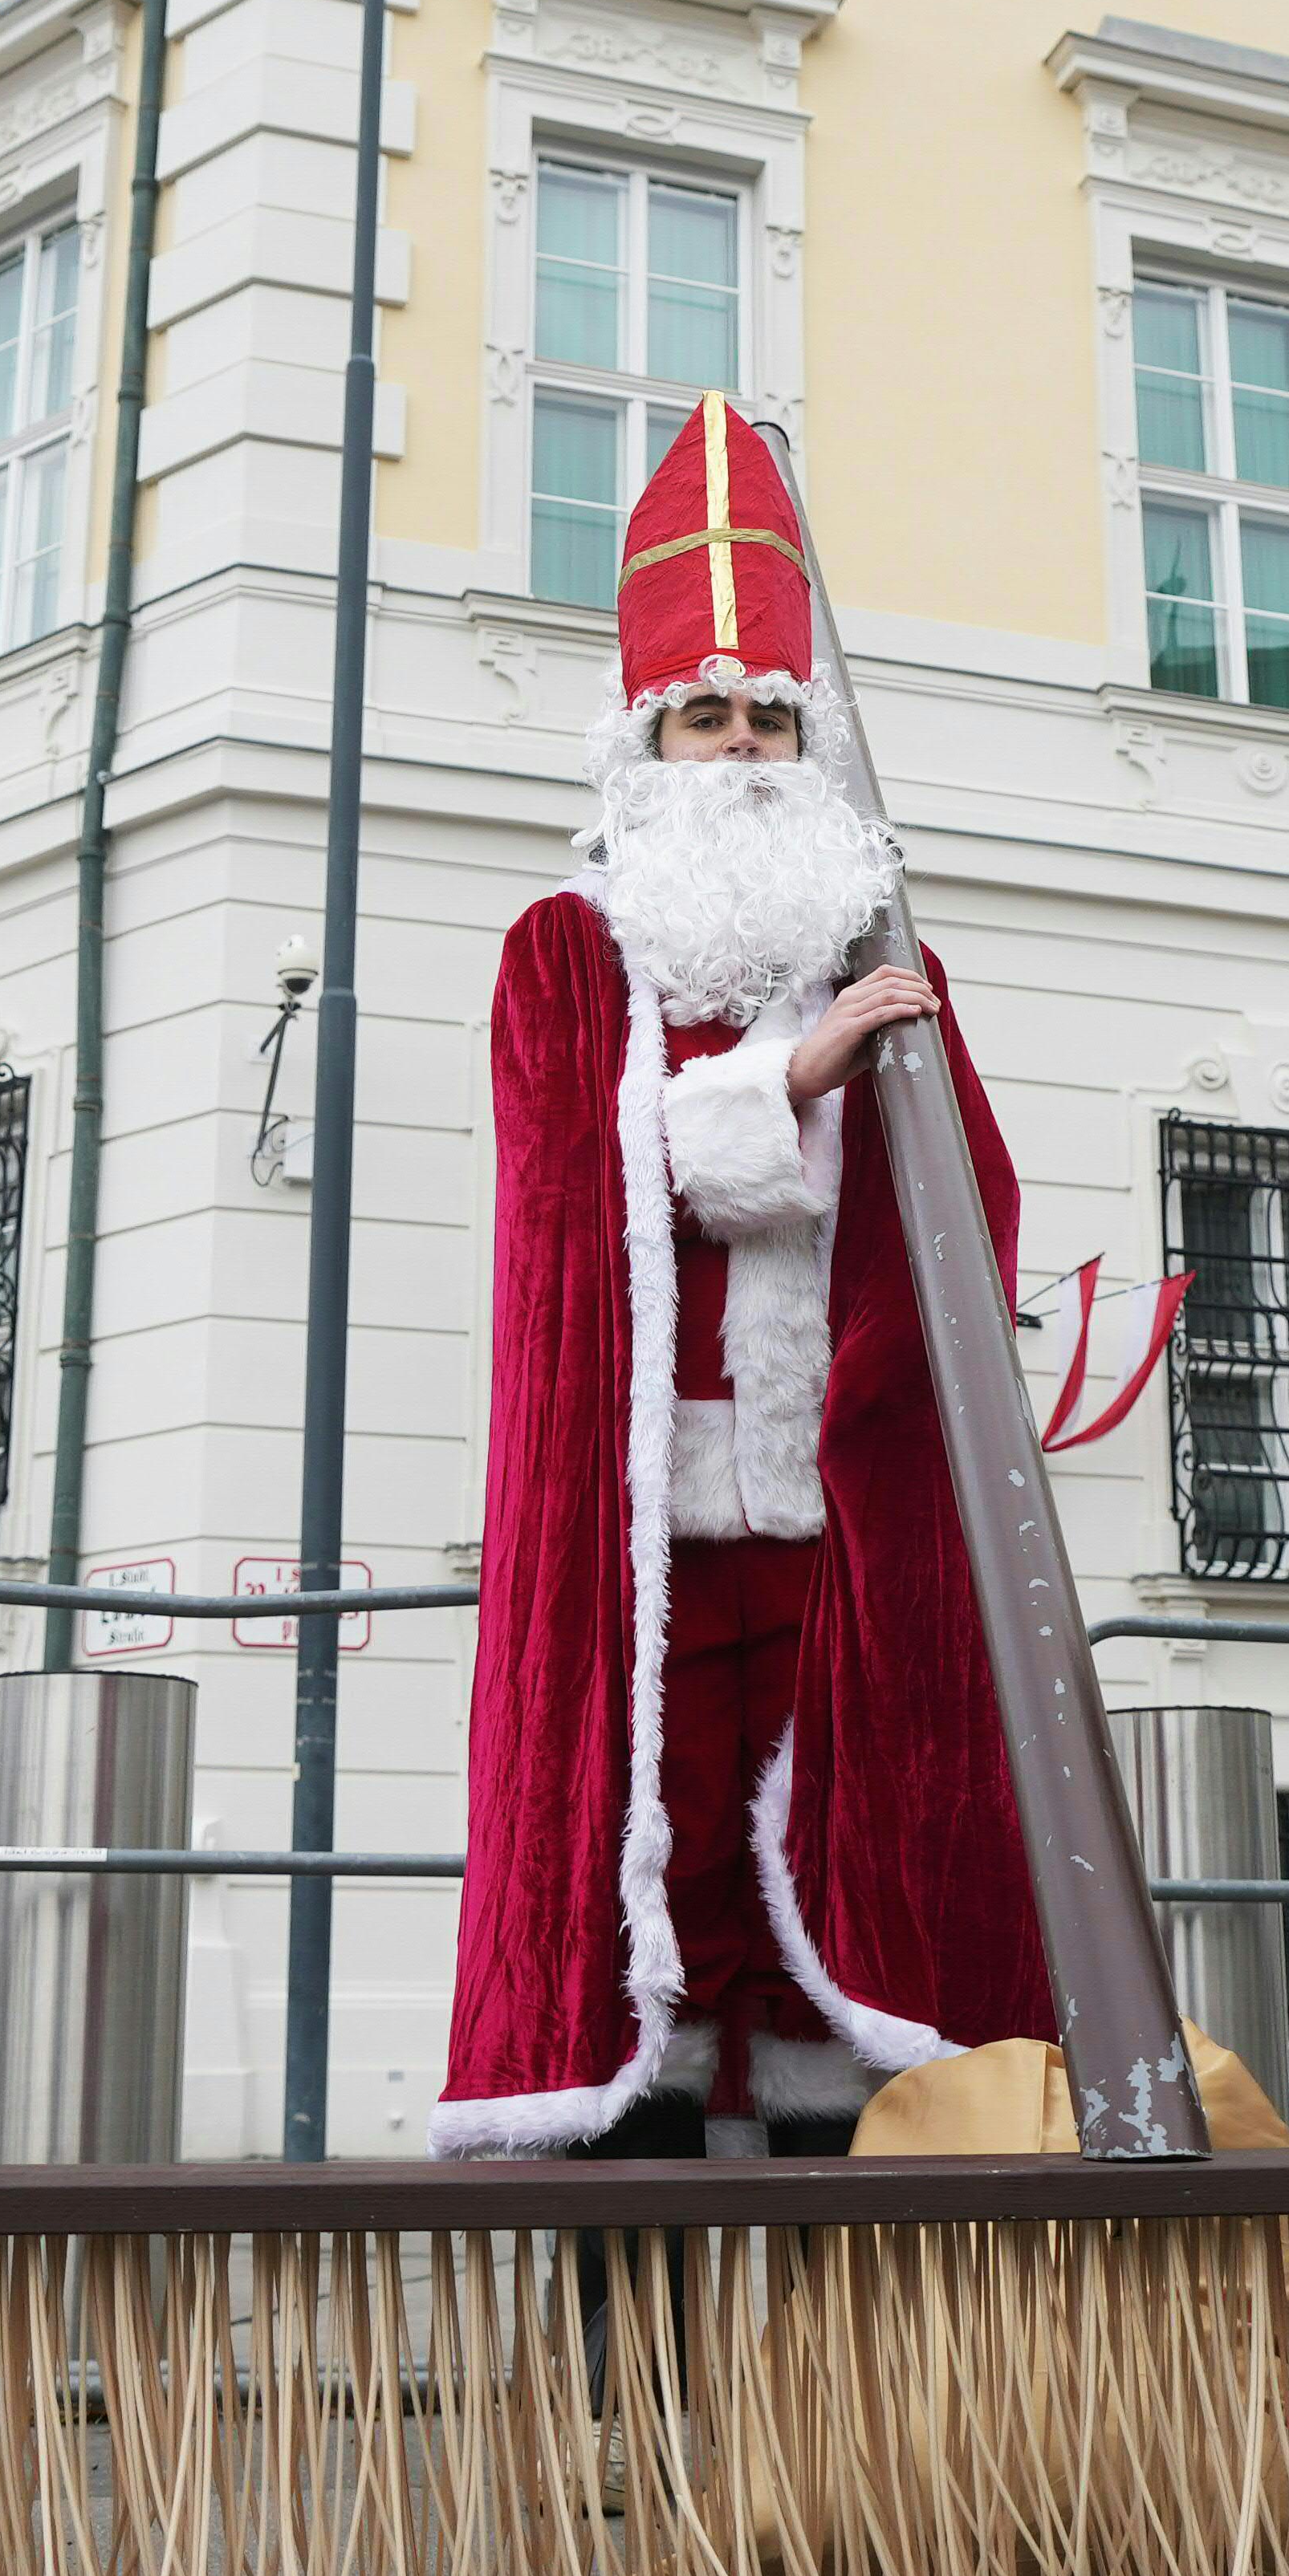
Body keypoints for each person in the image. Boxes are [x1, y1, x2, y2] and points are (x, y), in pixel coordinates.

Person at [434, 399, 1047, 2155]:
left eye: (773, 715)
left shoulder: (877, 947)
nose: (747, 746)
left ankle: (813, 2295)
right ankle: (640, 2343)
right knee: (658, 1868)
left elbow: (966, 1202)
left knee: (826, 1874)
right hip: (645, 1512)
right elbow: (574, 1187)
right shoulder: (568, 951)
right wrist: (789, 1084)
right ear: (646, 748)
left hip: (829, 1501)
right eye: (706, 717)